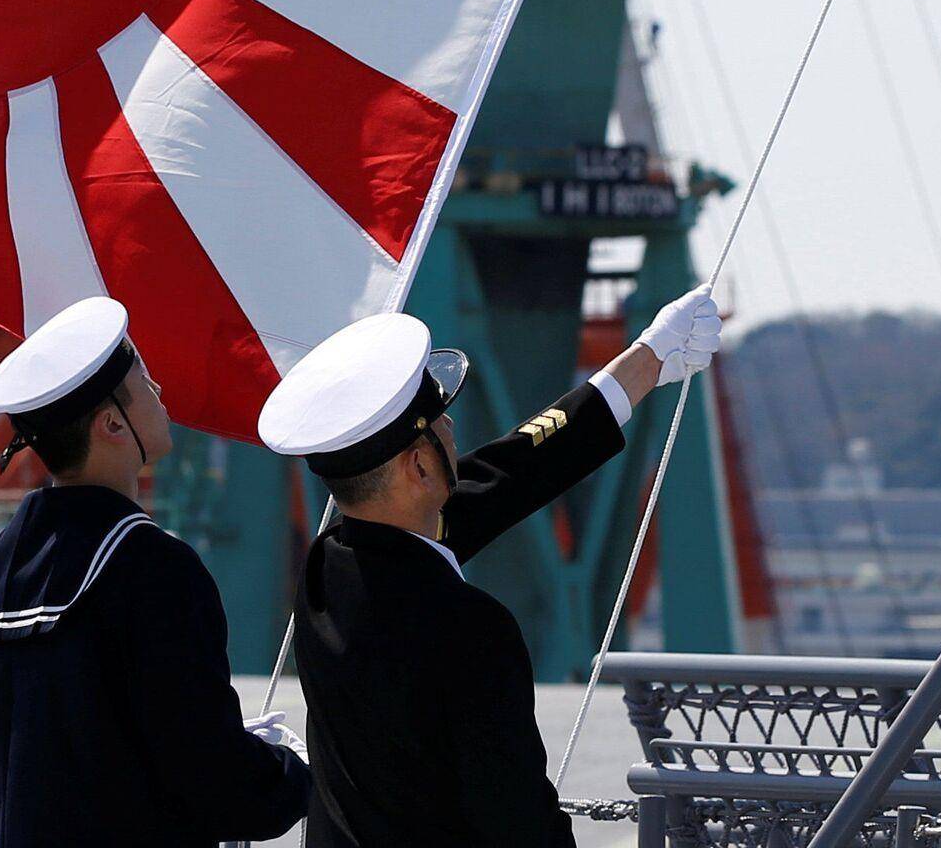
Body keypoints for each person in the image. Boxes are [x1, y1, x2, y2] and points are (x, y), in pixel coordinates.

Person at [257, 286, 722, 847]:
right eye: (441, 426)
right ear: (419, 468)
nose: (453, 433)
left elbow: (501, 478)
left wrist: (646, 362)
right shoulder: (470, 629)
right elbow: (517, 818)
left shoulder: (326, 569)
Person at [0, 296, 311, 848]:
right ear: (113, 422)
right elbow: (220, 787)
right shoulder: (152, 569)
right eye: (144, 379)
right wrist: (292, 769)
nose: (160, 392)